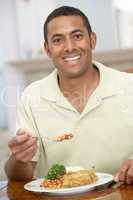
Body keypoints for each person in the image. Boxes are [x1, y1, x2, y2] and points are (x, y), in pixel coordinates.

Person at [5, 6, 133, 184]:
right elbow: (18, 175)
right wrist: (19, 158)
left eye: (77, 36)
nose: (69, 47)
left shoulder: (129, 86)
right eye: (58, 40)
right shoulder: (32, 96)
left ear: (92, 40)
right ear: (47, 49)